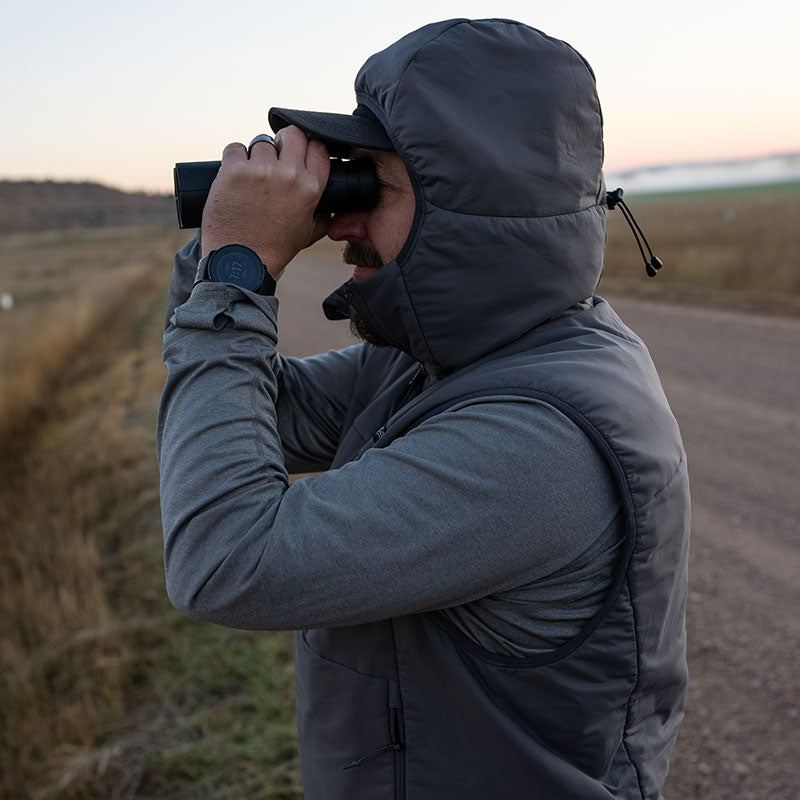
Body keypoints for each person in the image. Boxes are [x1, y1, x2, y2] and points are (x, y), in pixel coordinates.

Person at [158, 18, 690, 800]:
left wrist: (241, 268)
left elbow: (224, 560)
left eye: (370, 182)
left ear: (465, 208)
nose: (342, 217)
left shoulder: (536, 440)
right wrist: (220, 252)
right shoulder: (461, 357)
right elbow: (251, 414)